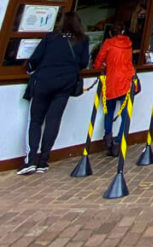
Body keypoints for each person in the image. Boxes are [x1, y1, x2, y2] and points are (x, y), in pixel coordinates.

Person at [18, 11, 90, 174]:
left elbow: (35, 59)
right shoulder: (82, 40)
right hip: (65, 84)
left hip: (44, 81)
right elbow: (84, 62)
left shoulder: (51, 38)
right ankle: (43, 161)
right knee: (53, 121)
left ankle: (30, 160)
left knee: (35, 121)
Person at [93, 22, 136, 157]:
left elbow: (99, 60)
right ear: (123, 32)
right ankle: (119, 141)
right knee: (125, 114)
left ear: (111, 33)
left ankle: (108, 136)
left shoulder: (109, 43)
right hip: (127, 79)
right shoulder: (128, 44)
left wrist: (98, 67)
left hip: (112, 80)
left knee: (108, 110)